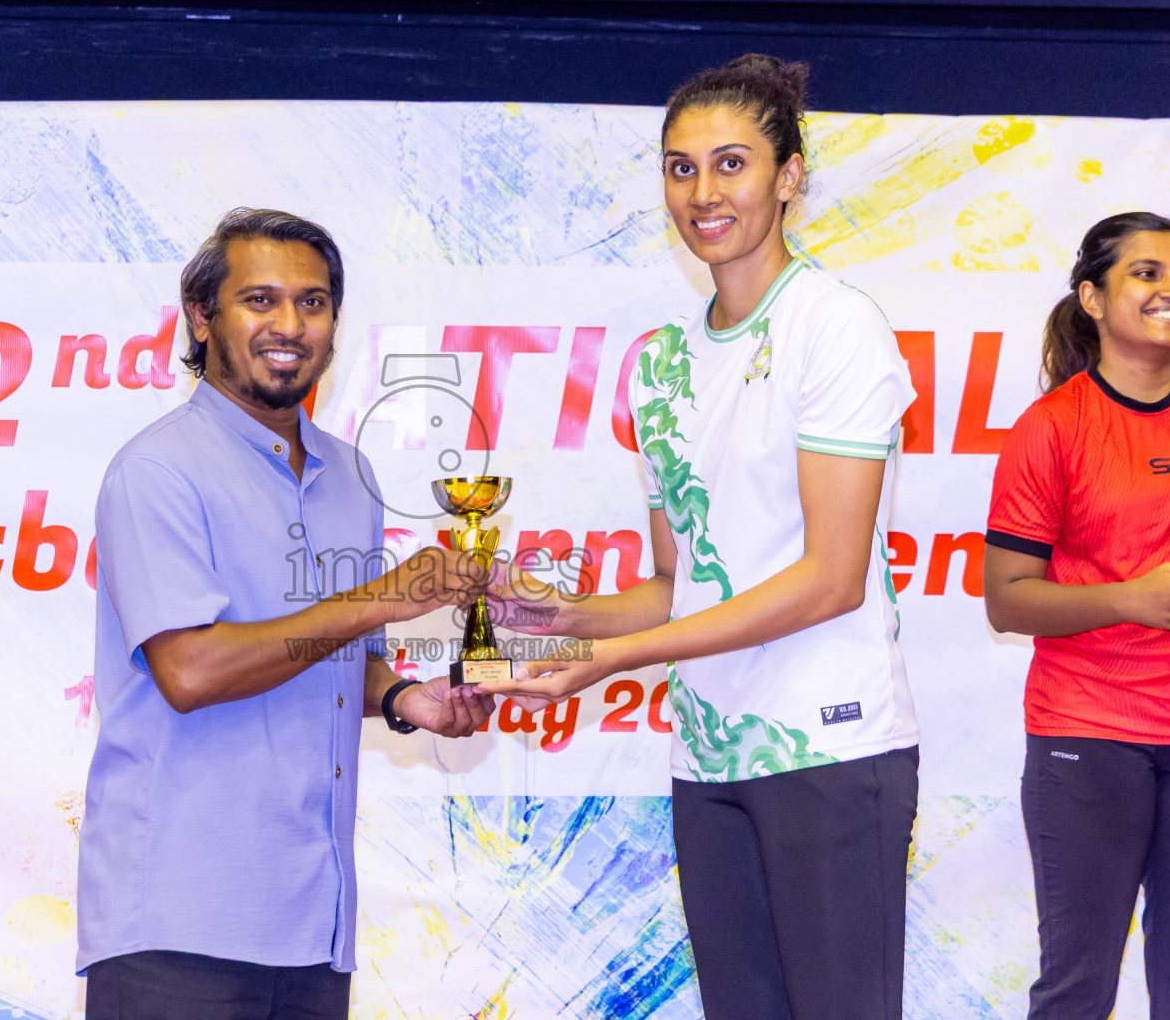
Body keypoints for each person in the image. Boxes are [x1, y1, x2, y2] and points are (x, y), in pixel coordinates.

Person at [477, 55, 919, 1020]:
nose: (704, 193)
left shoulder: (833, 327)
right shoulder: (663, 365)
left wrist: (617, 656)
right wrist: (551, 621)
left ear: (789, 176)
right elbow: (677, 584)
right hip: (710, 759)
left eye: (731, 164)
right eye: (681, 168)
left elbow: (833, 580)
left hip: (828, 746)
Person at [76, 207, 495, 1020]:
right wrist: (384, 596)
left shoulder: (350, 475)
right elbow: (191, 670)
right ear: (202, 318)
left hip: (313, 926)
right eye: (259, 300)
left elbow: (341, 655)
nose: (289, 325)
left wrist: (406, 699)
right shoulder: (157, 470)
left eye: (312, 303)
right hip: (176, 925)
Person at [982, 211, 1170, 1019]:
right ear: (1091, 296)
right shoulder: (1053, 427)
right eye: (1146, 274)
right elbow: (1006, 597)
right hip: (1088, 736)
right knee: (1079, 989)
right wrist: (1134, 599)